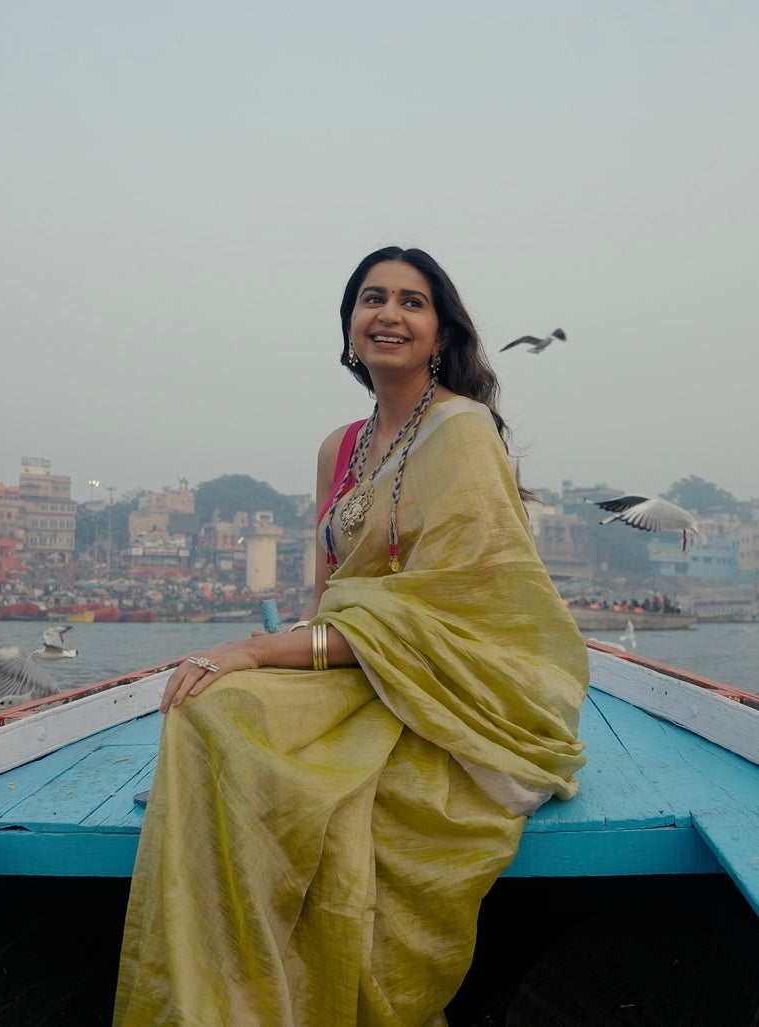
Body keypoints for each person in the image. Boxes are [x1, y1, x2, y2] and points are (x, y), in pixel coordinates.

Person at [113, 246, 590, 1026]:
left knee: (230, 706)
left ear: (440, 333)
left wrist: (260, 649)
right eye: (373, 298)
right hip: (359, 660)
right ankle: (224, 998)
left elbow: (462, 607)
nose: (390, 314)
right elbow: (327, 594)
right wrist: (275, 660)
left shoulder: (463, 431)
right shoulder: (340, 446)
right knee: (211, 708)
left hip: (455, 682)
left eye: (412, 301)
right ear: (349, 326)